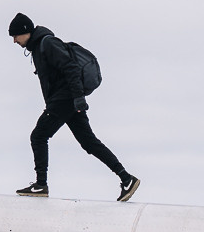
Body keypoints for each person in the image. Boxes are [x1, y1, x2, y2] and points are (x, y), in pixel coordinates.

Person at [9, 13, 140, 201]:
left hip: (66, 99)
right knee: (88, 142)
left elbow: (71, 67)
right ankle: (126, 178)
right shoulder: (38, 48)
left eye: (15, 36)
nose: (14, 41)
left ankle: (41, 184)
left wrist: (78, 98)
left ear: (25, 31)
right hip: (67, 100)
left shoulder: (48, 44)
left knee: (38, 136)